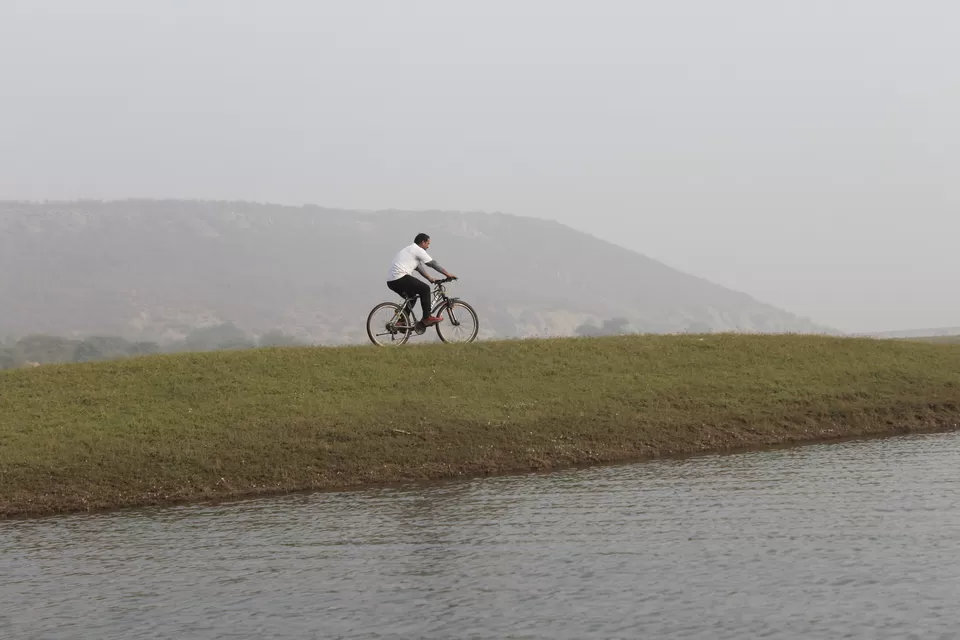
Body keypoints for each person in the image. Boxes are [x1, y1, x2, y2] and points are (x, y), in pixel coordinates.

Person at [386, 233, 457, 326]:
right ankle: (427, 318)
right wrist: (447, 274)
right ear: (422, 242)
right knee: (425, 289)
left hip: (391, 281)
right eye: (428, 243)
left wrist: (429, 278)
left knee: (412, 296)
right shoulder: (417, 249)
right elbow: (432, 263)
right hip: (400, 277)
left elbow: (418, 267)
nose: (428, 246)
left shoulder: (409, 249)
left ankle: (401, 321)